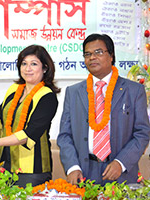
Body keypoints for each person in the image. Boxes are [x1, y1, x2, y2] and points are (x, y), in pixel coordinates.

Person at [57, 33, 150, 186]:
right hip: (84, 174)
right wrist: (72, 167)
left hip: (121, 174)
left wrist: (121, 162)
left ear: (111, 55)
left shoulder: (134, 91)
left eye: (98, 52)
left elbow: (142, 133)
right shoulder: (73, 92)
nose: (92, 57)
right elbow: (65, 135)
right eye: (87, 54)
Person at [0, 45, 60, 187]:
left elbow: (29, 134)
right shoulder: (14, 90)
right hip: (7, 166)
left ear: (45, 68)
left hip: (33, 169)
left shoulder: (47, 96)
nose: (28, 69)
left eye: (34, 64)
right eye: (24, 64)